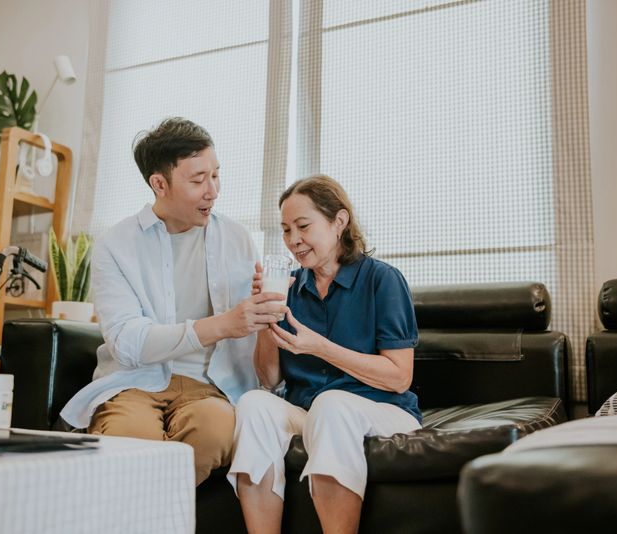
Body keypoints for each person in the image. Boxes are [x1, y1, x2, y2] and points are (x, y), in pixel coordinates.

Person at [60, 117, 285, 485]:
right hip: (134, 382)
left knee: (214, 432)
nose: (213, 190)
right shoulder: (116, 246)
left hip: (211, 387)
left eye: (216, 175)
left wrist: (262, 313)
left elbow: (256, 344)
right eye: (198, 180)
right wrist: (223, 324)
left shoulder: (237, 239)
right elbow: (128, 343)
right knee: (128, 441)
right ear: (159, 184)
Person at [228, 174, 421, 534]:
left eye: (303, 226)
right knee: (254, 404)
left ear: (339, 222)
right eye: (286, 230)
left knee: (332, 403)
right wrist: (268, 313)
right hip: (310, 411)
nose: (293, 241)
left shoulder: (382, 280)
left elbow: (399, 376)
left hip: (383, 411)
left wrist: (320, 347)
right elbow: (270, 379)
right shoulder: (292, 289)